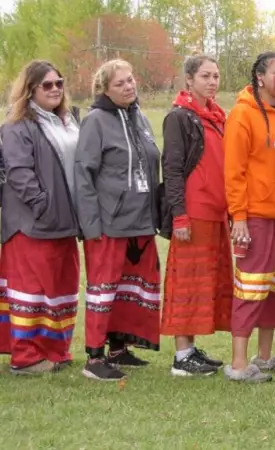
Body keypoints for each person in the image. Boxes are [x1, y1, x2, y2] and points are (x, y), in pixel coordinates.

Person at [75, 59, 162, 381]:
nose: (129, 86)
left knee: (131, 288)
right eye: (120, 83)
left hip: (140, 221)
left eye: (131, 79)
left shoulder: (139, 117)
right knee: (103, 288)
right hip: (108, 223)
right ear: (104, 90)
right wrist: (90, 225)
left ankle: (119, 347)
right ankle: (94, 358)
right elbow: (83, 175)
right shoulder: (95, 121)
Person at [223, 51, 275, 383]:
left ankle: (265, 356)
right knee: (251, 287)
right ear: (260, 76)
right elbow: (234, 172)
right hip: (256, 216)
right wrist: (238, 217)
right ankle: (239, 364)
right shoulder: (242, 115)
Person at [0, 60, 81, 375]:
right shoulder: (18, 126)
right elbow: (19, 173)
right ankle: (26, 357)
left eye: (59, 83)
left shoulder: (68, 121)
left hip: (67, 221)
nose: (55, 89)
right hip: (32, 223)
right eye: (47, 85)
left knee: (61, 288)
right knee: (31, 291)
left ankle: (55, 350)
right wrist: (42, 205)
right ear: (30, 89)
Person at [160, 55, 231, 377]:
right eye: (205, 76)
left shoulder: (217, 117)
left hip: (216, 212)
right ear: (189, 80)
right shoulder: (179, 117)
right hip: (194, 210)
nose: (212, 82)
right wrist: (180, 216)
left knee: (206, 283)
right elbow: (172, 169)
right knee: (186, 283)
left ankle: (191, 350)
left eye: (216, 76)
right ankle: (181, 356)